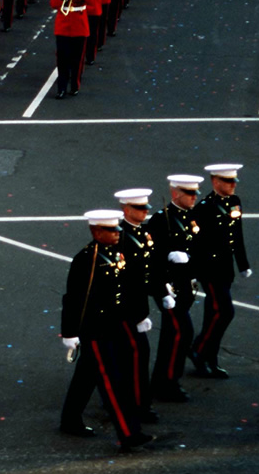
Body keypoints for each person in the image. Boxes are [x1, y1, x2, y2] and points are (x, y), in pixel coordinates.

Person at [58, 209, 153, 451]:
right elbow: (73, 298)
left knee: (87, 374)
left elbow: (130, 287)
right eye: (111, 230)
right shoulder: (87, 259)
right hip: (95, 328)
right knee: (112, 382)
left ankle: (70, 419)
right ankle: (128, 433)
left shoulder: (117, 253)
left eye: (117, 229)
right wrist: (70, 333)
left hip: (116, 323)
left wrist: (139, 315)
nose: (117, 234)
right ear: (96, 231)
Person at [115, 188, 172, 424]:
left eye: (146, 207)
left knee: (129, 356)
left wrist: (162, 291)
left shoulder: (143, 234)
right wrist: (137, 314)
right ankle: (137, 405)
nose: (146, 211)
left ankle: (133, 401)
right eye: (140, 208)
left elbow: (152, 268)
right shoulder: (121, 238)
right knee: (137, 354)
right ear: (126, 210)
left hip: (137, 307)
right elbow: (126, 281)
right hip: (125, 310)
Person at [190, 163, 252, 378]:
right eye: (228, 181)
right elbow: (196, 245)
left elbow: (237, 234)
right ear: (215, 181)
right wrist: (196, 273)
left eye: (235, 180)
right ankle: (198, 350)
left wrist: (242, 264)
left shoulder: (234, 202)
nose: (233, 184)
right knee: (225, 312)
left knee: (213, 314)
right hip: (210, 269)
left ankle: (209, 359)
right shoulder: (204, 207)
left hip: (225, 268)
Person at [148, 174, 204, 403]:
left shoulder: (190, 217)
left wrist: (189, 256)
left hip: (185, 285)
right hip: (169, 287)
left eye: (195, 194)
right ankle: (167, 382)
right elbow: (150, 257)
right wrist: (167, 256)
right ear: (175, 193)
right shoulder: (161, 220)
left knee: (176, 334)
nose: (193, 198)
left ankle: (163, 379)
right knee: (181, 332)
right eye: (189, 193)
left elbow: (198, 246)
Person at [50, 0, 89, 98]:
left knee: (77, 59)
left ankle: (74, 86)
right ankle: (61, 88)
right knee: (62, 59)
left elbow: (93, 2)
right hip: (63, 26)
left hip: (79, 25)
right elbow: (54, 3)